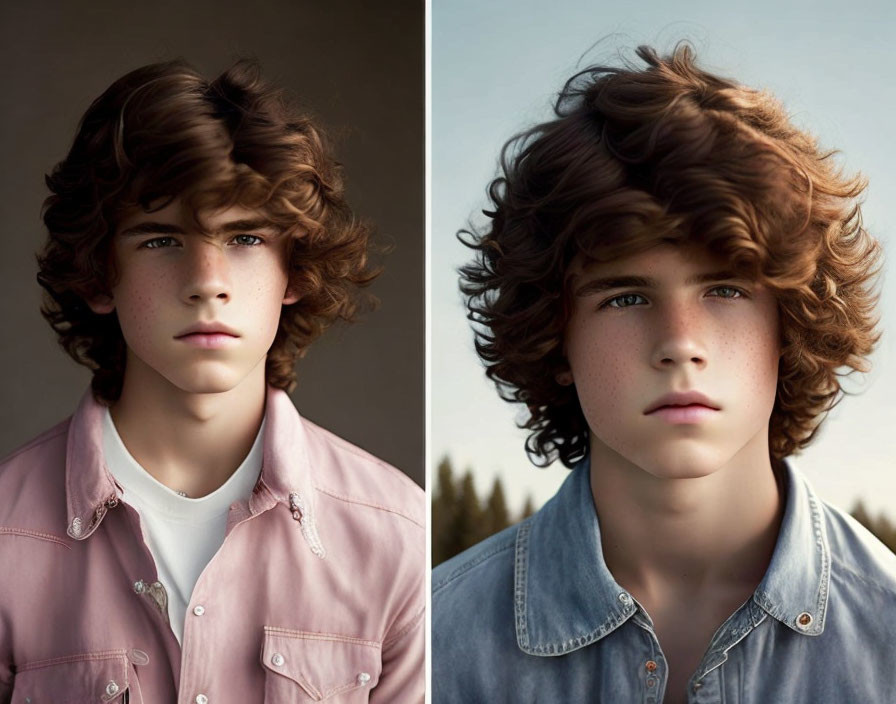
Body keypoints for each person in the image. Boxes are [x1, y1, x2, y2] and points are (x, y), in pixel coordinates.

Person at [432, 43, 895, 703]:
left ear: (788, 326)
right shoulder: (434, 643)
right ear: (557, 338)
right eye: (625, 297)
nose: (680, 344)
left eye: (726, 291)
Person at [0, 60, 424, 703]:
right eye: (160, 239)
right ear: (96, 273)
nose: (207, 280)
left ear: (296, 273)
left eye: (246, 237)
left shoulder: (400, 537)